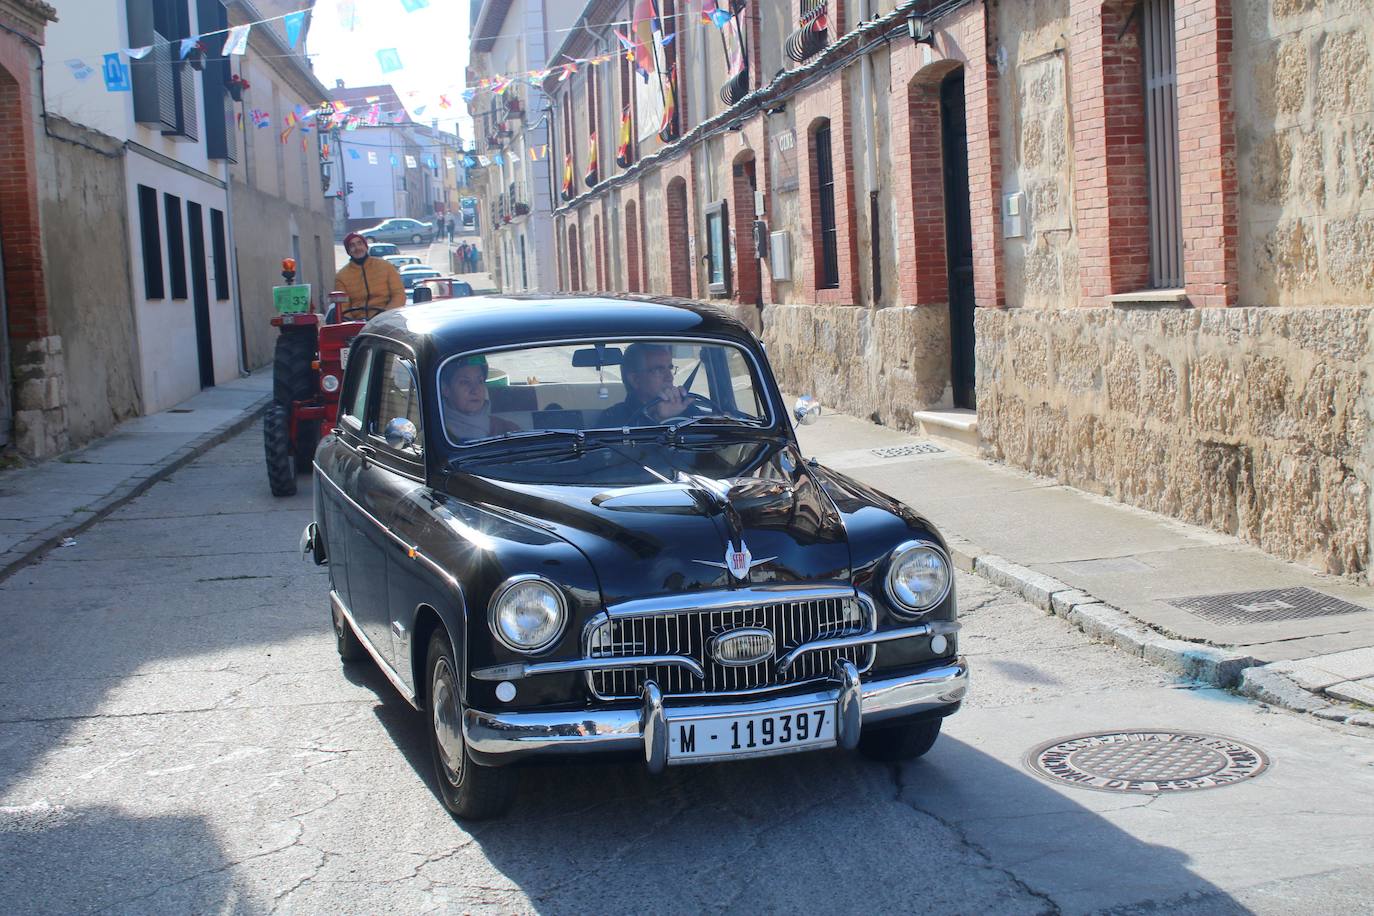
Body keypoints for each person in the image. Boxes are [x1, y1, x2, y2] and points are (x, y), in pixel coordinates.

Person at [597, 342, 692, 427]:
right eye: (659, 370)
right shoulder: (613, 418)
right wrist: (659, 420)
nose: (670, 377)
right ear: (635, 380)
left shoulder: (686, 407)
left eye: (670, 368)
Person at [441, 354, 520, 442]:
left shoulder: (506, 429)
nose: (475, 390)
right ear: (446, 389)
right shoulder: (439, 433)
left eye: (480, 381)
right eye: (465, 382)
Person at [334, 231, 405, 319]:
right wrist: (351, 322)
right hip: (358, 324)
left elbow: (399, 295)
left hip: (387, 319)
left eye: (360, 243)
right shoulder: (341, 276)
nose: (357, 248)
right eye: (352, 245)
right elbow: (343, 307)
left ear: (365, 246)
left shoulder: (385, 266)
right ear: (348, 251)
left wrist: (385, 315)